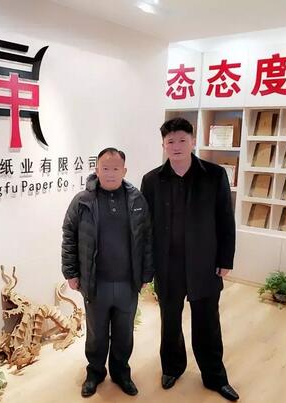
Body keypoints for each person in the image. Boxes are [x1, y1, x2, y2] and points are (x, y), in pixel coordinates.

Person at [140, 117, 239, 401]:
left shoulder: (214, 175)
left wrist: (225, 259)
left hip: (204, 263)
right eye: (170, 141)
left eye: (182, 140)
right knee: (169, 321)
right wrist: (147, 266)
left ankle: (215, 376)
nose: (177, 146)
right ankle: (172, 367)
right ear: (163, 145)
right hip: (167, 264)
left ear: (193, 141)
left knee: (207, 322)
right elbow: (145, 227)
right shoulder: (152, 180)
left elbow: (225, 219)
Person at [61, 147, 153, 398]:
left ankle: (121, 373)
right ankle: (95, 373)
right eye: (105, 168)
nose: (110, 173)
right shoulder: (83, 200)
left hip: (127, 282)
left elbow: (147, 238)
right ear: (96, 170)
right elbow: (69, 236)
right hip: (95, 282)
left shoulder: (136, 200)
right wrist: (70, 272)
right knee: (96, 334)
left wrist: (146, 274)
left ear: (124, 170)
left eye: (115, 168)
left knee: (124, 333)